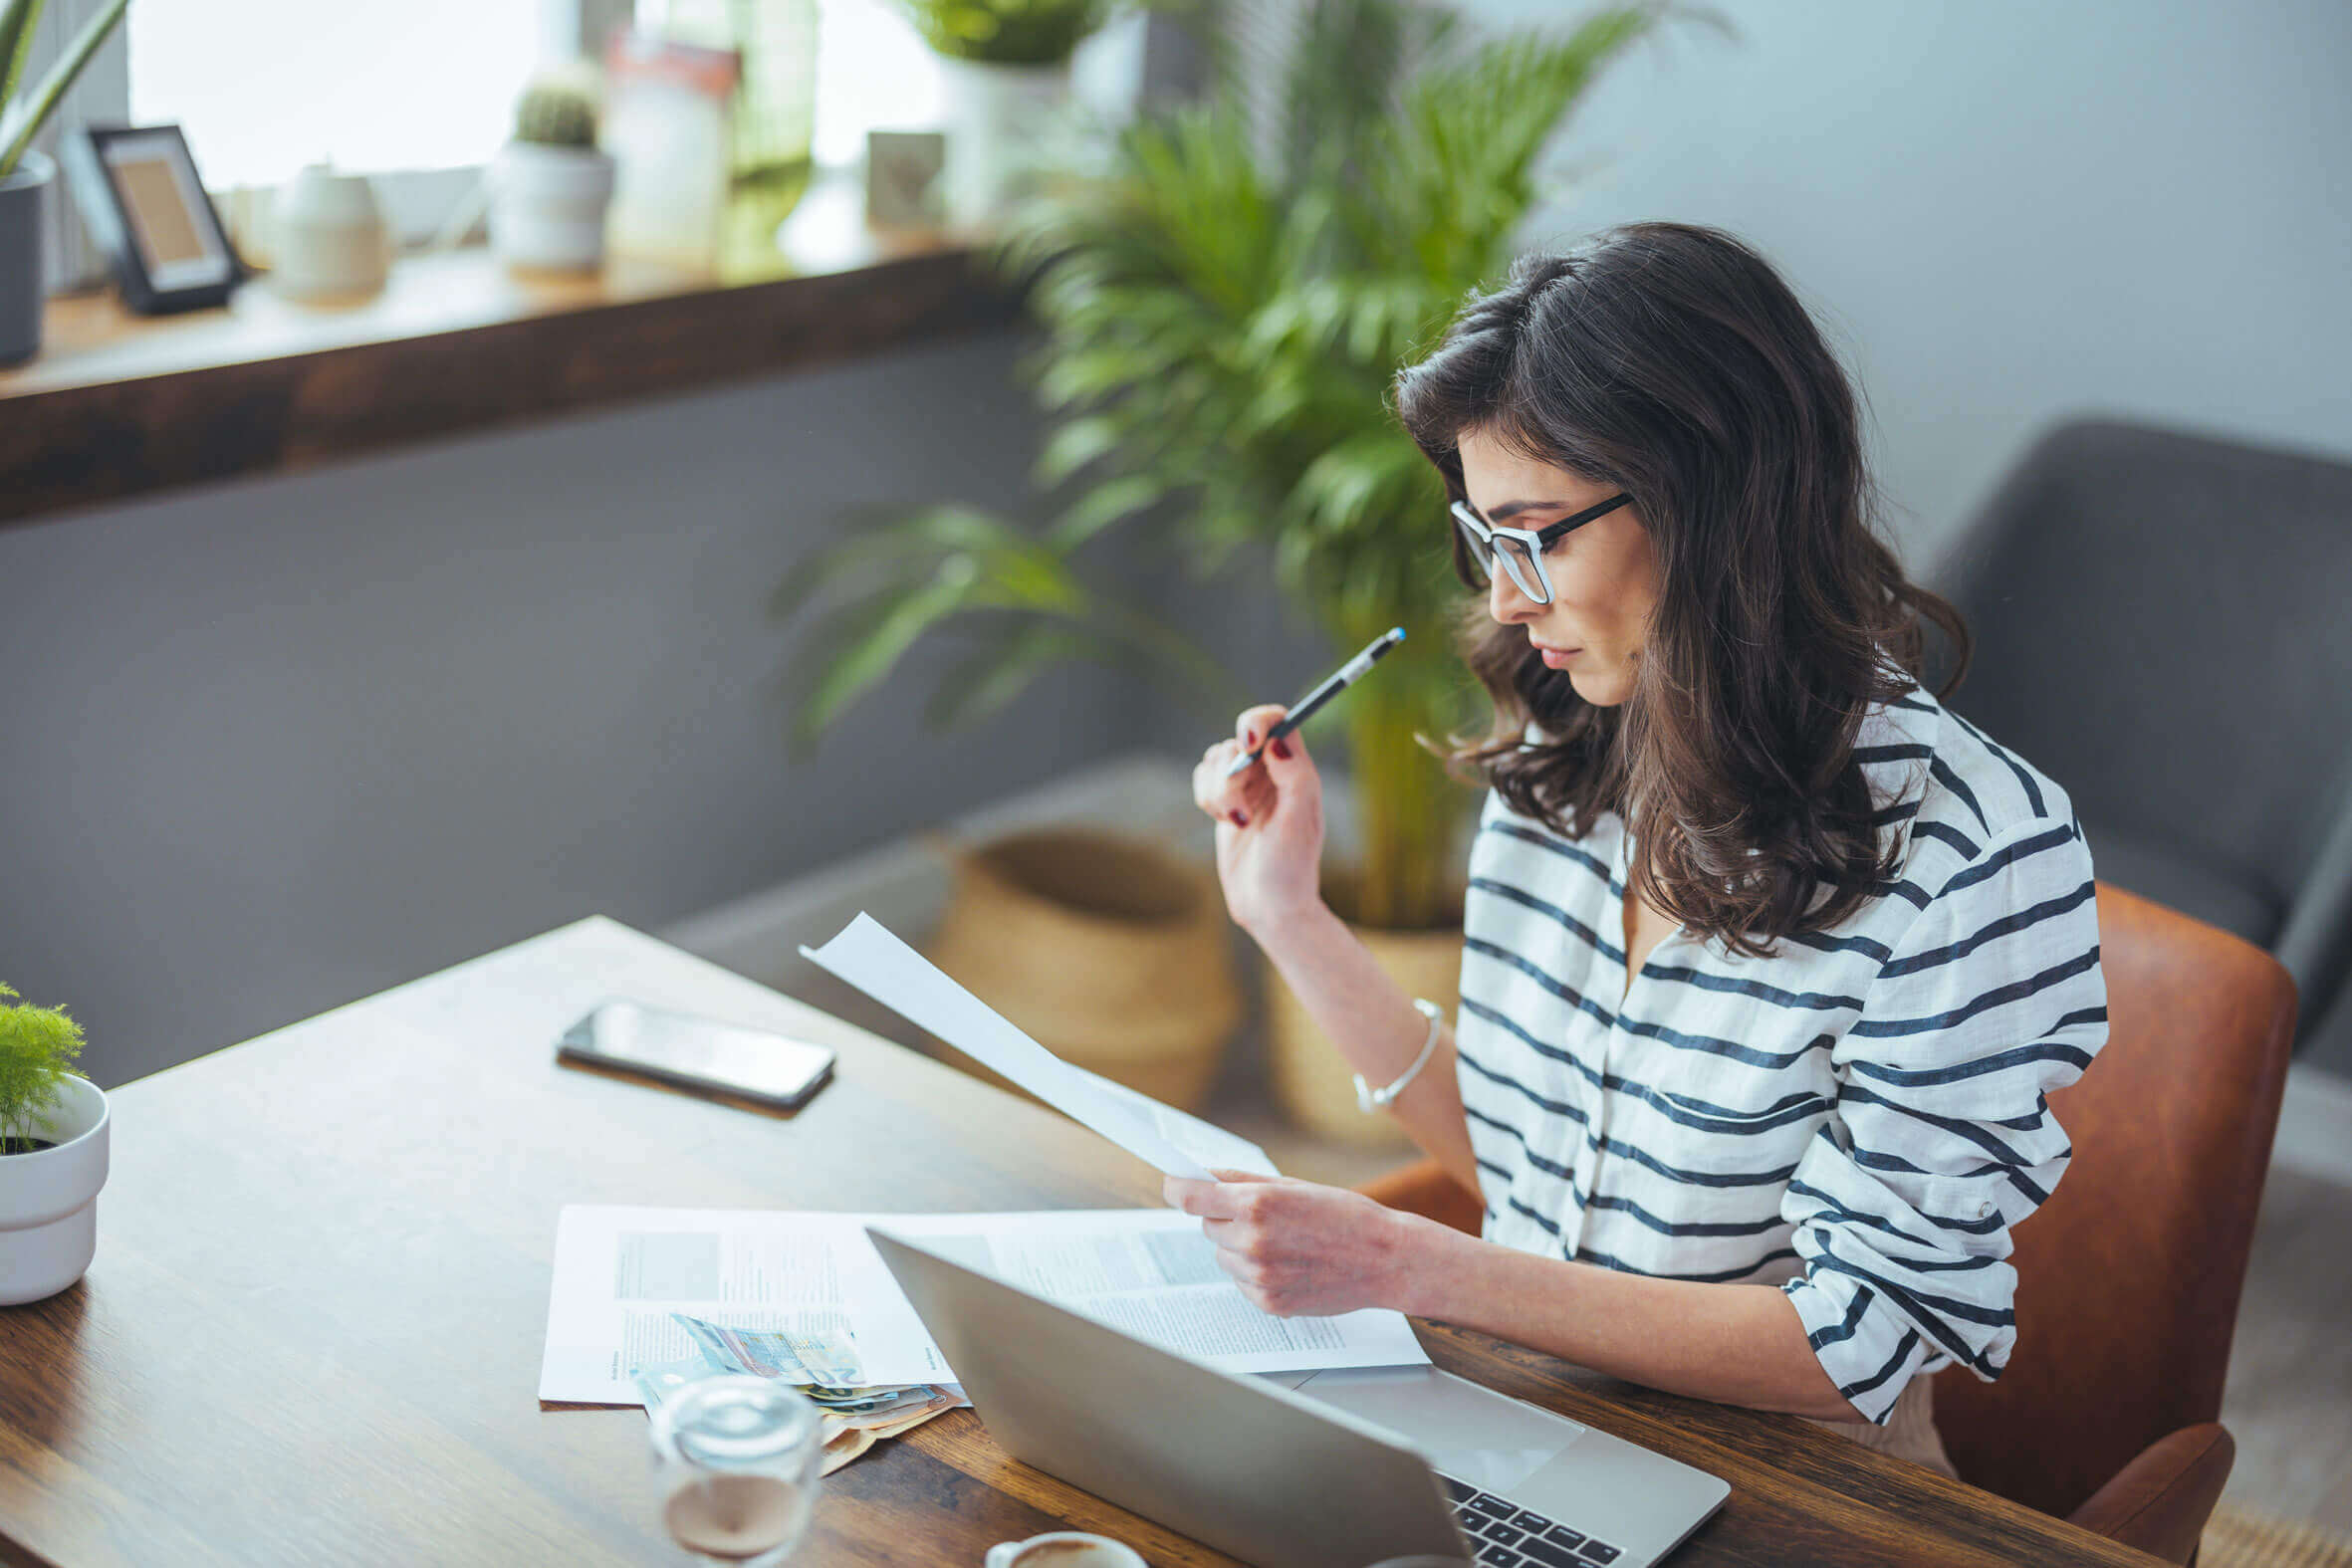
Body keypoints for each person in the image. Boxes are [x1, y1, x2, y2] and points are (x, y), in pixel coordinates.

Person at [1178, 223, 2106, 1474]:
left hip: (1792, 1488)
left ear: (1712, 498)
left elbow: (1858, 1342)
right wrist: (1284, 913)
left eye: (1536, 535)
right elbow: (1527, 1168)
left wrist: (1419, 1268)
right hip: (1537, 1419)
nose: (1505, 597)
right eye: (1484, 539)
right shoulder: (1572, 746)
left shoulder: (1976, 856)